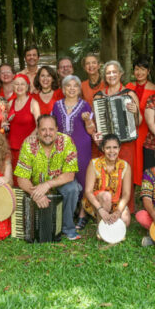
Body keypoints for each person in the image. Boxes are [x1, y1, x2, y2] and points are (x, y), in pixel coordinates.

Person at [14, 115, 83, 240]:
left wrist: (47, 185)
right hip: (36, 189)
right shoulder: (29, 145)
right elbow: (21, 178)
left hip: (59, 185)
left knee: (72, 188)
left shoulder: (67, 142)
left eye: (51, 129)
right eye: (43, 129)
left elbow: (70, 174)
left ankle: (68, 228)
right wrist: (36, 193)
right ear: (38, 130)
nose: (47, 133)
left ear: (57, 129)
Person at [52, 75, 96, 229]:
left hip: (81, 147)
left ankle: (83, 214)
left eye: (75, 86)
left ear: (79, 89)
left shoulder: (85, 106)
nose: (71, 89)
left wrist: (87, 121)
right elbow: (52, 127)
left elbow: (91, 130)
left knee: (83, 178)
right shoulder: (56, 106)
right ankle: (66, 213)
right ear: (63, 89)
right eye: (68, 86)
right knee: (64, 178)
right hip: (62, 148)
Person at [99, 60, 141, 206]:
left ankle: (126, 208)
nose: (111, 75)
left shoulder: (129, 94)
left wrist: (135, 112)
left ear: (121, 74)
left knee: (124, 174)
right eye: (108, 72)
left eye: (114, 72)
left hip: (126, 142)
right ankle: (107, 205)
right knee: (107, 174)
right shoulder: (99, 97)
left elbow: (139, 121)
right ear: (104, 75)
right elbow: (98, 124)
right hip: (106, 144)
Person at [83, 135, 132, 232]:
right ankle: (101, 227)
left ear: (119, 148)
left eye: (115, 147)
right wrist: (100, 209)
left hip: (115, 202)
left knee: (125, 221)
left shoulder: (125, 166)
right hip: (96, 202)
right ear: (103, 149)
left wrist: (118, 211)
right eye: (108, 148)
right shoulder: (94, 163)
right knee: (106, 196)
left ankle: (109, 220)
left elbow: (126, 194)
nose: (112, 151)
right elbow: (88, 191)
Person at [125, 58, 155, 187]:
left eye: (143, 69)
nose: (139, 72)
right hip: (129, 128)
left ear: (148, 71)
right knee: (131, 158)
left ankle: (145, 187)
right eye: (137, 69)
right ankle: (130, 185)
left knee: (143, 159)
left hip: (147, 129)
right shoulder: (128, 86)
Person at [7, 74, 41, 170]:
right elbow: (8, 125)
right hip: (12, 147)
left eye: (22, 84)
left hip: (27, 148)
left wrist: (32, 135)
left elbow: (40, 124)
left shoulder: (33, 103)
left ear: (27, 87)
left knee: (25, 178)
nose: (19, 87)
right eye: (16, 84)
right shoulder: (10, 103)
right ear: (13, 86)